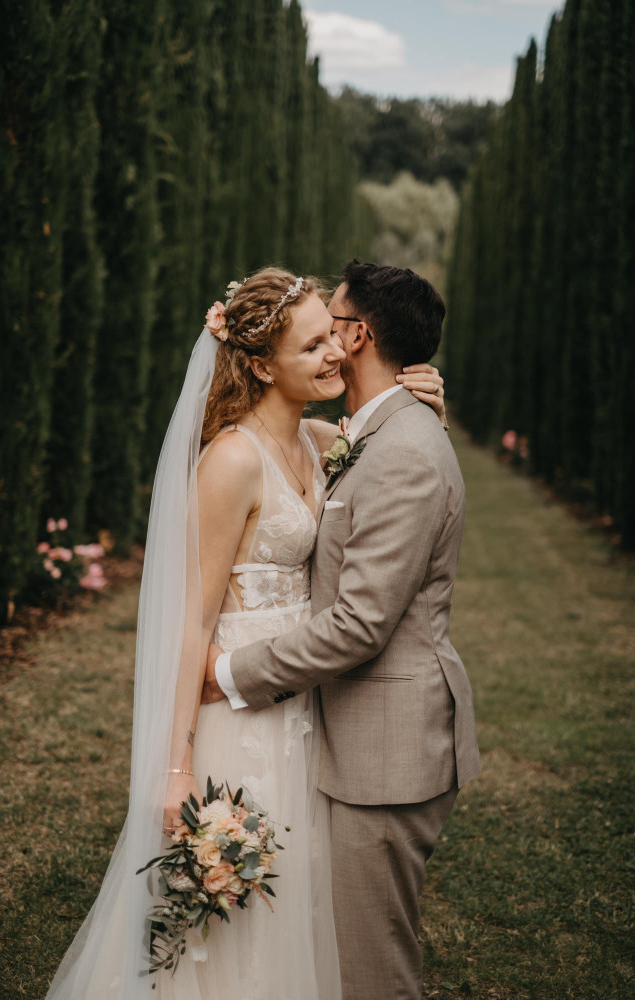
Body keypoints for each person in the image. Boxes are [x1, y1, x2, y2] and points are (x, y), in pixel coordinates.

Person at [44, 266, 447, 1000]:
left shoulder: (321, 441)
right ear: (261, 365)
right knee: (229, 915)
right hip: (235, 709)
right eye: (312, 346)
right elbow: (191, 621)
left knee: (298, 894)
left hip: (303, 705)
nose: (335, 353)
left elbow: (388, 448)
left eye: (333, 337)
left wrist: (419, 403)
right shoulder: (231, 460)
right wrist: (175, 769)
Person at [203, 260, 481, 1000]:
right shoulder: (368, 431)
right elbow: (284, 428)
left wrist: (227, 672)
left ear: (357, 337)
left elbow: (359, 625)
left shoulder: (403, 451)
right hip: (347, 732)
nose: (324, 340)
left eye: (332, 325)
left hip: (387, 750)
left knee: (373, 971)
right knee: (342, 951)